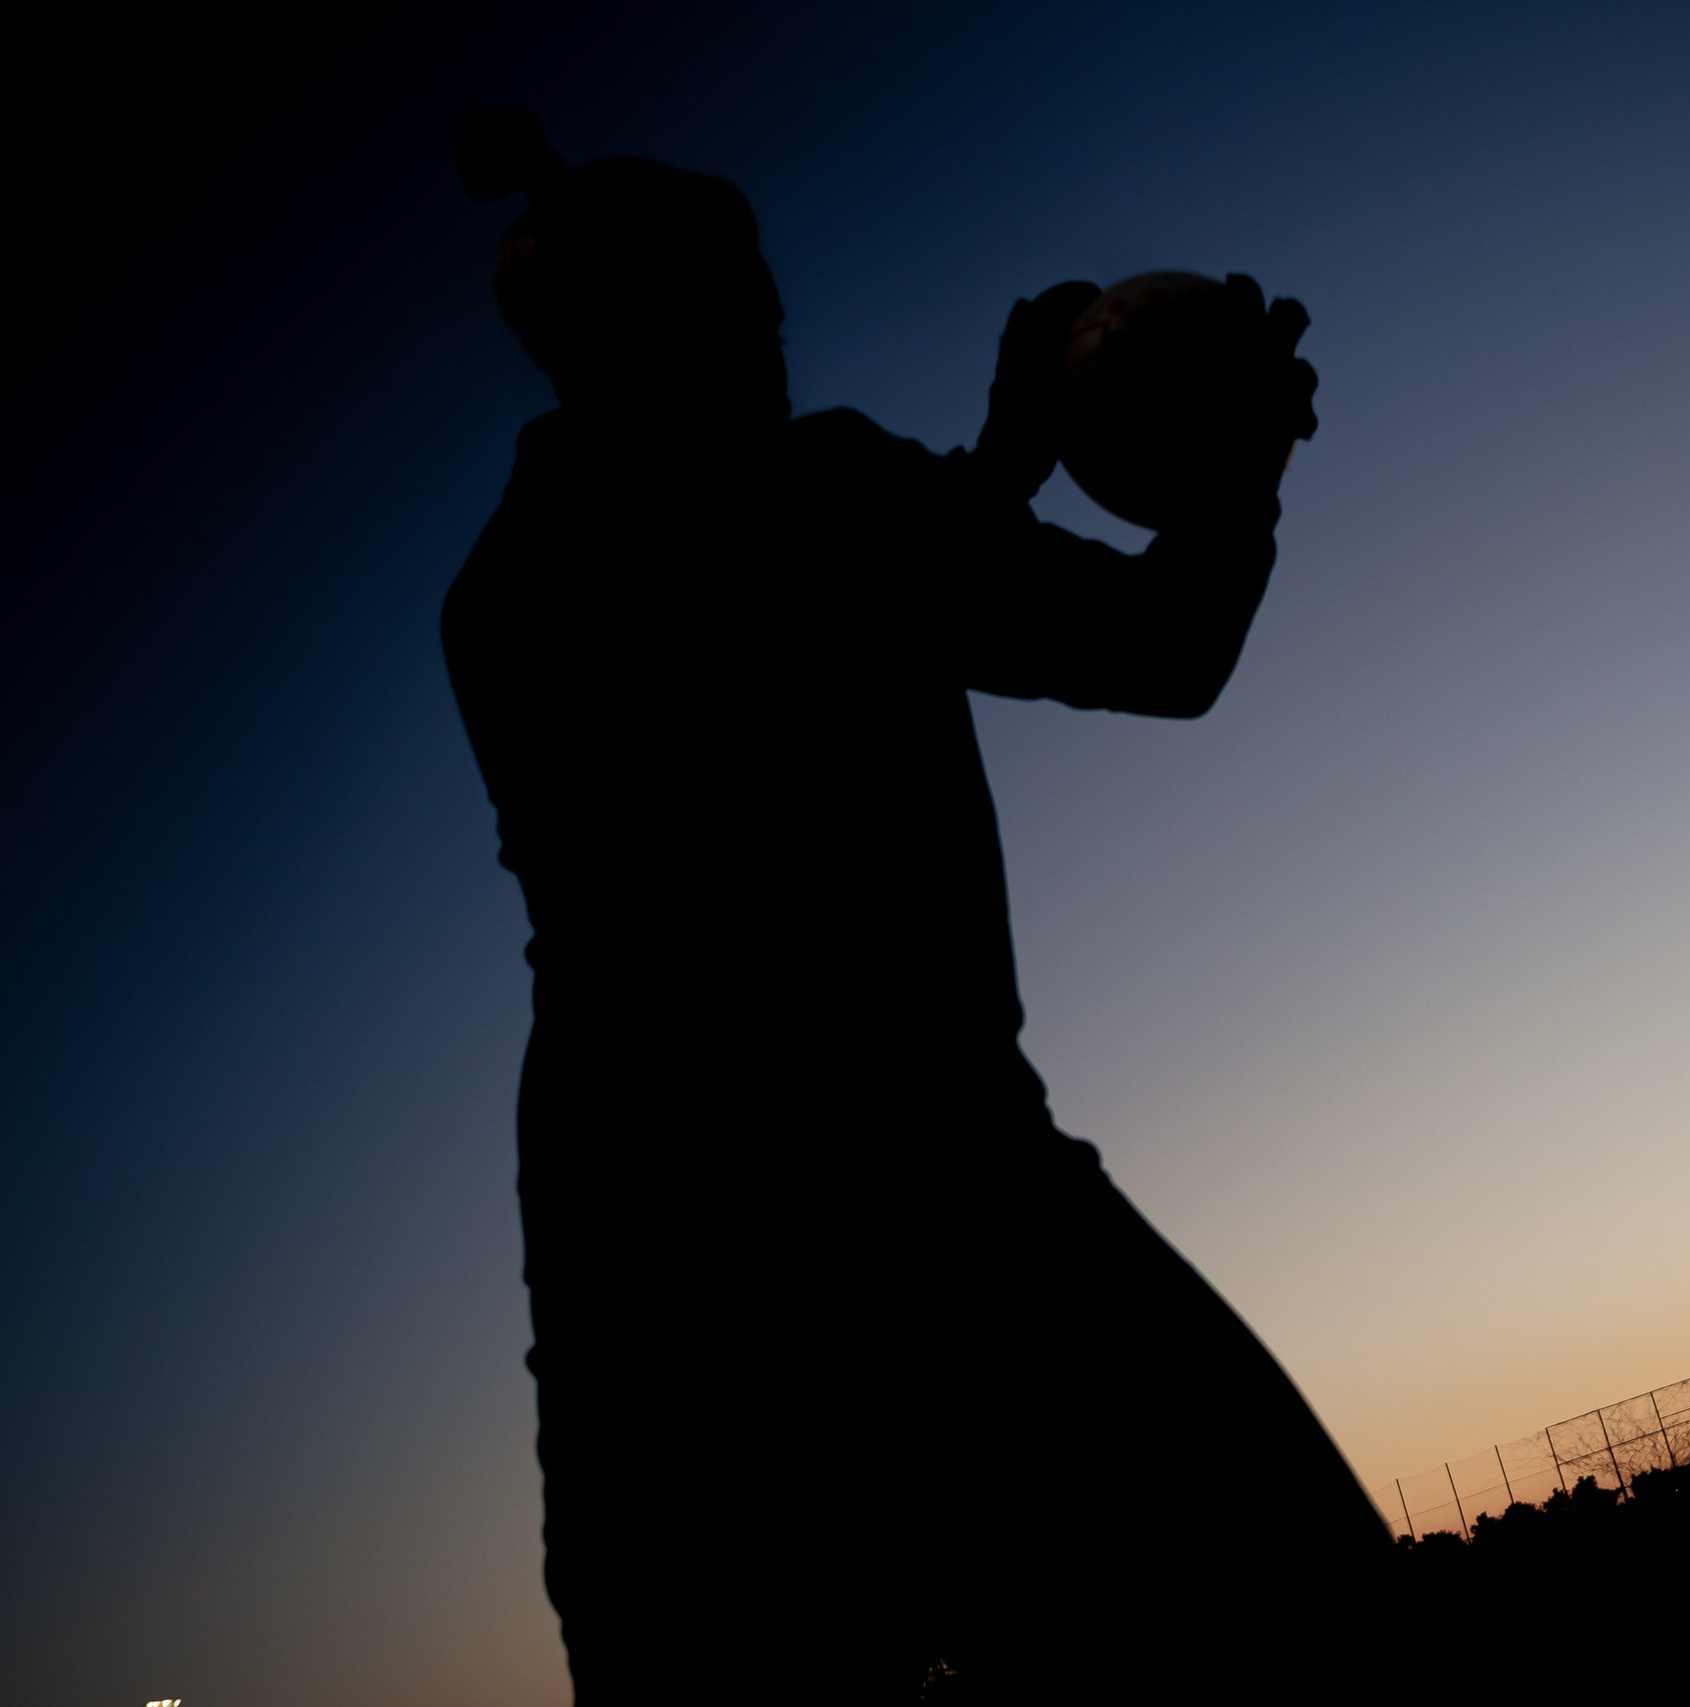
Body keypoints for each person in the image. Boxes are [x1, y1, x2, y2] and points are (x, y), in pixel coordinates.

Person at [440, 111, 1386, 1703]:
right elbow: (1162, 646)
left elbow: (802, 632)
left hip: (650, 1337)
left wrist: (1008, 450)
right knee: (1319, 1615)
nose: (776, 338)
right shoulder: (830, 502)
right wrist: (1237, 472)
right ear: (668, 326)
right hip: (955, 1232)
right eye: (752, 310)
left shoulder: (500, 598)